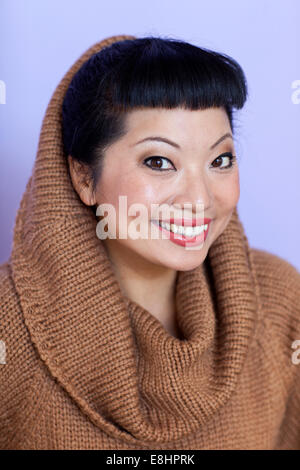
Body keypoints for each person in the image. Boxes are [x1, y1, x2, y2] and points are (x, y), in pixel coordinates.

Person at [0, 34, 300, 450]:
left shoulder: (281, 299)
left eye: (220, 160)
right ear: (84, 177)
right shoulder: (7, 329)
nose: (199, 199)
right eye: (159, 162)